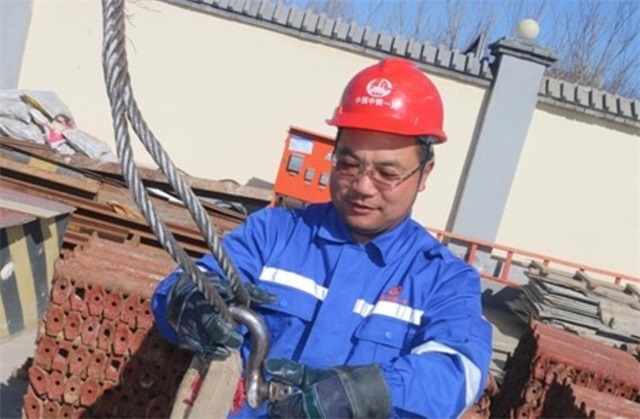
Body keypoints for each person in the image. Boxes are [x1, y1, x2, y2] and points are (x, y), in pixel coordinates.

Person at [152, 57, 493, 418]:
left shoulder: (444, 280)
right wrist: (188, 303)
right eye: (349, 165)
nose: (363, 186)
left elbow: (459, 372)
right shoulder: (272, 234)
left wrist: (368, 394)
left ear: (424, 173)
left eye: (386, 173)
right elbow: (186, 286)